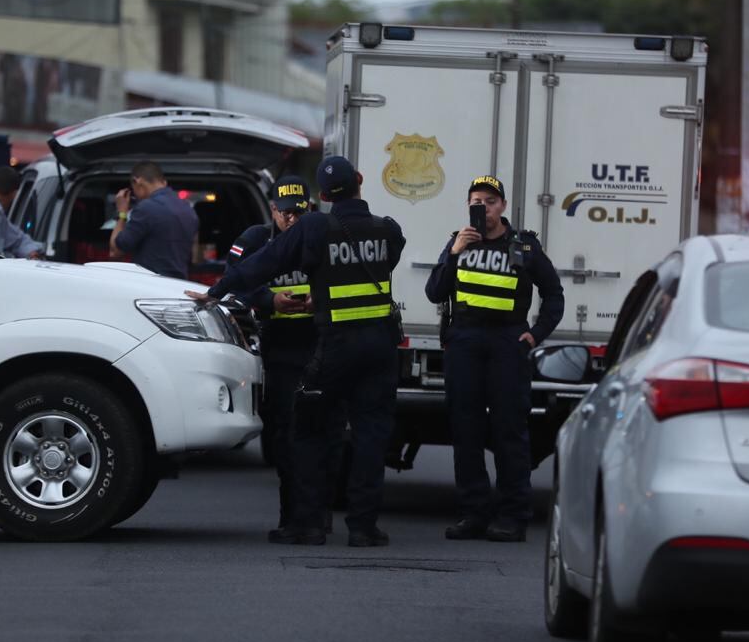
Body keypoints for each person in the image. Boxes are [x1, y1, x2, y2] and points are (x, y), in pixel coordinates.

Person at [189, 156, 404, 548]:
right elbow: (389, 256)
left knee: (305, 431)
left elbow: (265, 263)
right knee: (371, 437)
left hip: (333, 346)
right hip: (380, 347)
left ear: (321, 196)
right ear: (360, 180)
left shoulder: (315, 228)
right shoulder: (387, 230)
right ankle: (363, 527)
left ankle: (306, 524)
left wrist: (217, 291)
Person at [425, 175, 564, 543]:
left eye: (489, 201)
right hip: (465, 343)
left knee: (509, 433)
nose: (483, 208)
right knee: (466, 432)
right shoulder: (457, 243)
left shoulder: (525, 247)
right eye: (476, 201)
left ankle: (512, 515)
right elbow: (433, 291)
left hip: (507, 344)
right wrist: (453, 253)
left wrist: (535, 335)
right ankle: (473, 513)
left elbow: (554, 295)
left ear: (502, 206)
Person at [222, 175, 317, 536]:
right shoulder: (256, 240)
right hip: (278, 347)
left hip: (318, 344)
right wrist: (268, 300)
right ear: (273, 210)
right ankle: (292, 516)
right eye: (285, 213)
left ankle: (313, 516)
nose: (292, 219)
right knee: (283, 435)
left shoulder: (321, 237)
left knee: (319, 435)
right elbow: (235, 280)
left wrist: (318, 300)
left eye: (299, 212)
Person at [108, 161, 199, 279]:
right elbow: (194, 257)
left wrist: (122, 213)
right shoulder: (188, 210)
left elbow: (115, 251)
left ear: (137, 181)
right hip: (179, 285)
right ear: (164, 182)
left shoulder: (146, 208)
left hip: (151, 286)